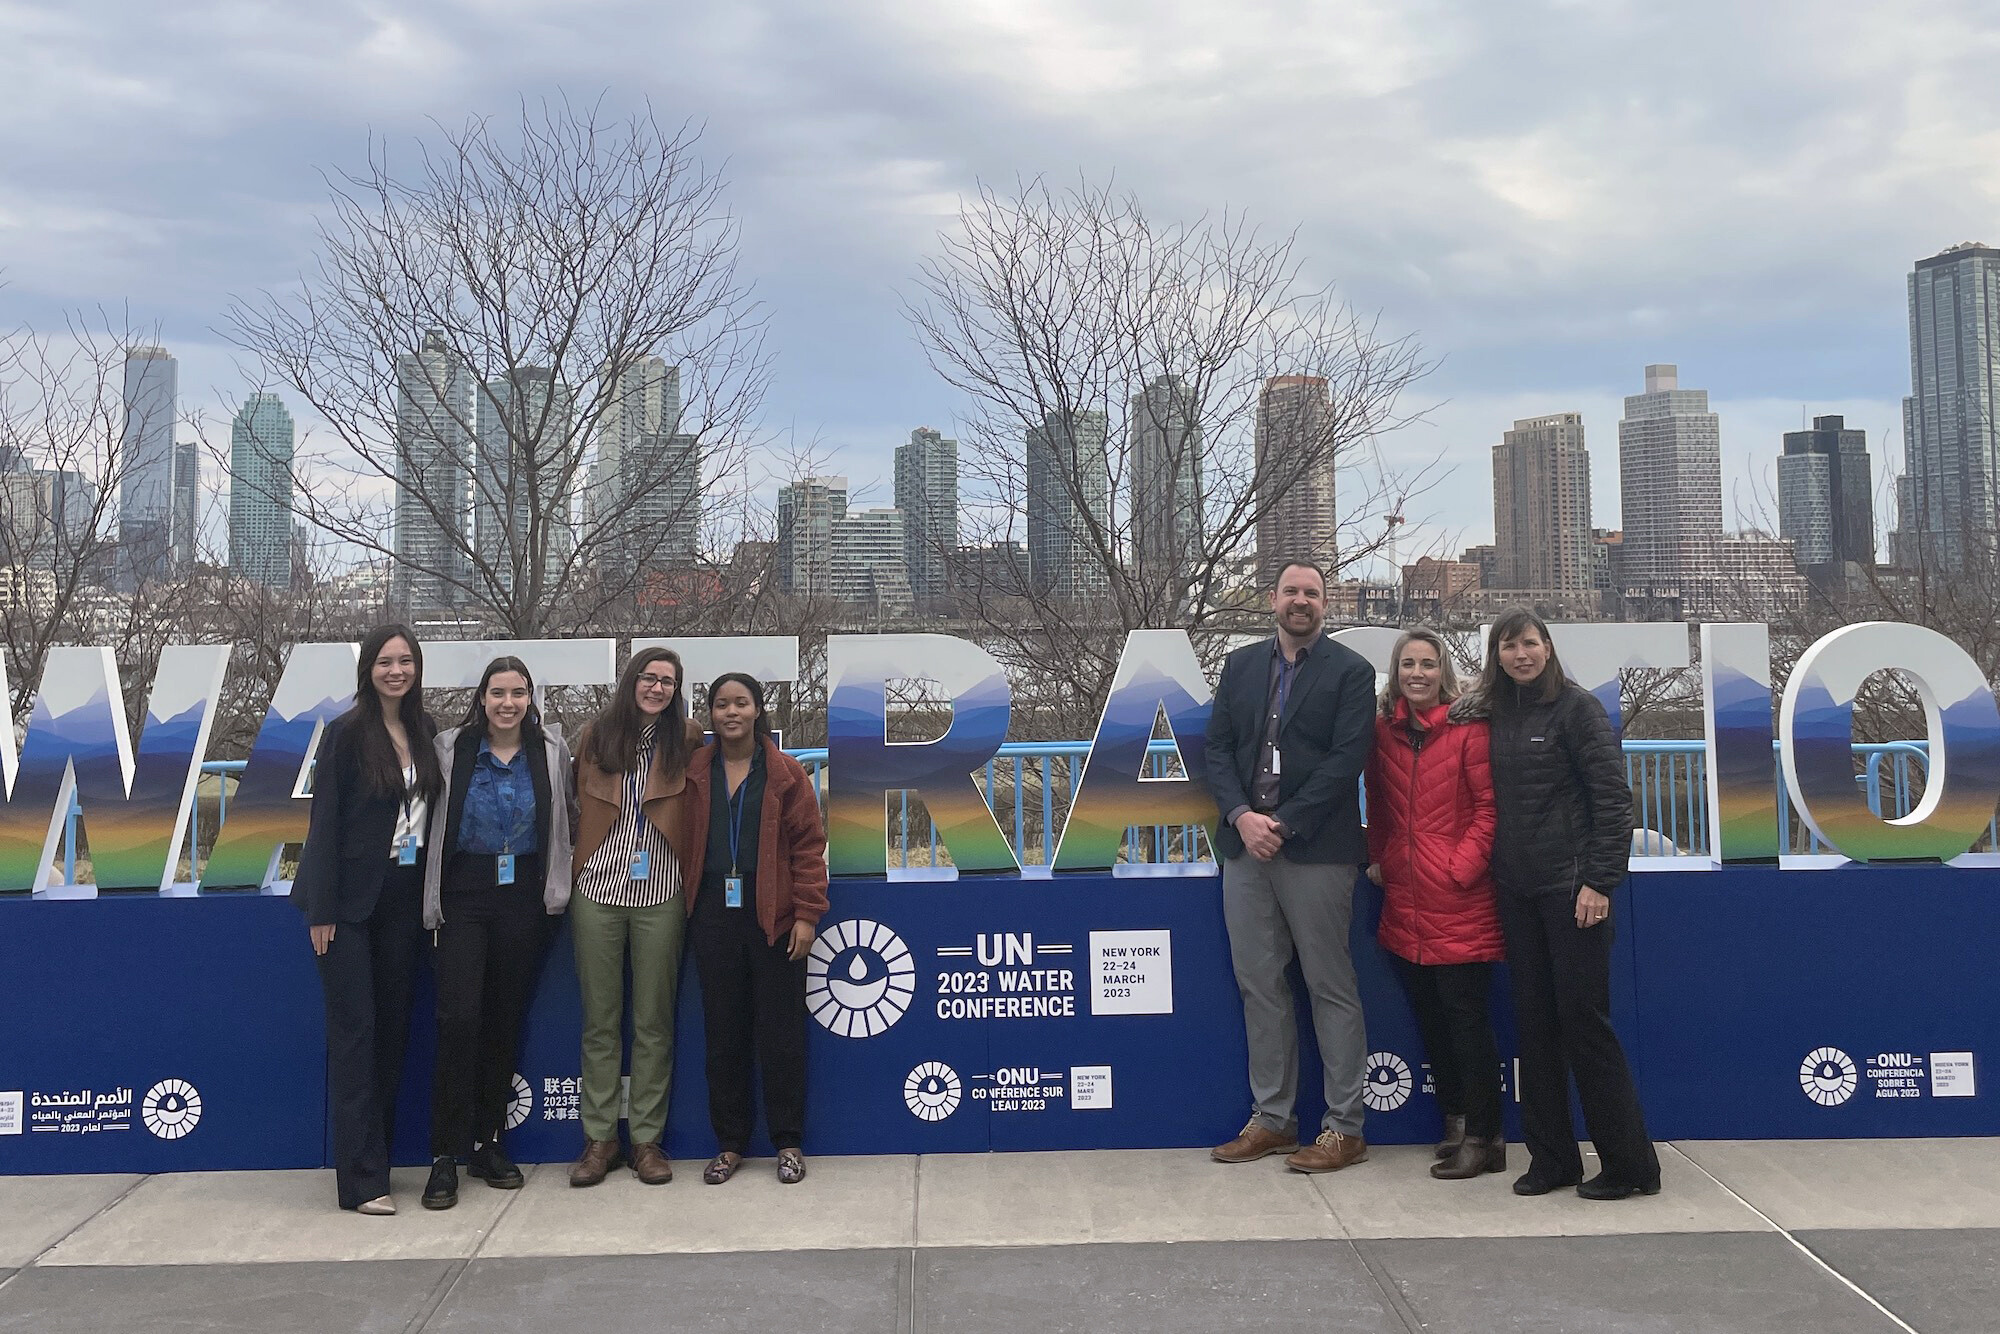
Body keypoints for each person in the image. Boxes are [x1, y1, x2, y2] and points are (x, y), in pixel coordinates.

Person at [1451, 608, 1662, 1200]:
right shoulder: (1497, 712)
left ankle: (1630, 1166)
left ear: (1548, 647)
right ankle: (1553, 1160)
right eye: (1508, 647)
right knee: (1535, 1030)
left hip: (1573, 896)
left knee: (1584, 1027)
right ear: (1496, 656)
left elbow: (1614, 803)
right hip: (1516, 893)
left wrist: (1599, 882)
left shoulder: (1578, 710)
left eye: (1529, 643)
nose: (1520, 655)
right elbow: (1454, 717)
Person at [1203, 559, 1378, 1174]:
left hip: (1316, 851)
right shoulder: (1241, 665)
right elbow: (1217, 748)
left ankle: (1344, 1128)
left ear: (1324, 605)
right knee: (1260, 984)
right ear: (1272, 600)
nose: (1300, 601)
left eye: (1311, 593)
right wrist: (1241, 817)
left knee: (1329, 986)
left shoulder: (1352, 672)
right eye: (1291, 591)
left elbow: (1346, 760)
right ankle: (1274, 1120)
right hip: (1246, 850)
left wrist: (1284, 822)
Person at [294, 624, 442, 1215]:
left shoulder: (426, 730)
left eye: (406, 661)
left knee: (392, 1035)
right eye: (386, 661)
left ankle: (377, 1160)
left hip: (406, 903)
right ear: (368, 669)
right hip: (348, 910)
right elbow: (324, 824)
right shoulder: (347, 734)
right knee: (355, 1039)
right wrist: (322, 909)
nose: (396, 671)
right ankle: (362, 1183)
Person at [420, 656, 577, 1210]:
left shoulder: (552, 752)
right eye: (497, 693)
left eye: (518, 692)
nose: (507, 703)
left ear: (531, 697)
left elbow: (569, 819)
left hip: (524, 899)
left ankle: (488, 1144)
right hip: (463, 894)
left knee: (503, 1022)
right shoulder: (449, 749)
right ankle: (444, 1156)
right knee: (458, 1020)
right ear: (481, 697)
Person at [1364, 628, 1505, 1180]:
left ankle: (1486, 1137)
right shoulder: (1385, 733)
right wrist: (1382, 858)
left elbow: (1489, 810)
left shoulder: (1469, 730)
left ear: (1442, 671)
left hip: (1458, 900)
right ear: (1395, 674)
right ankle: (1456, 1123)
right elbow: (1377, 801)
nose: (1417, 674)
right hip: (1405, 902)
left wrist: (1460, 869)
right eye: (1407, 665)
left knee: (1469, 1023)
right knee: (1432, 1021)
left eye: (1427, 664)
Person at [681, 672, 828, 1185]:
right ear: (710, 715)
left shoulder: (786, 773)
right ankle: (730, 1144)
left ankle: (787, 1142)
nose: (731, 713)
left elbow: (809, 848)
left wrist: (807, 915)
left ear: (758, 710)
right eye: (721, 704)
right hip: (712, 916)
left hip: (775, 918)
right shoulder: (695, 769)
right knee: (724, 1036)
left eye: (741, 703)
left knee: (781, 1035)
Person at [567, 648, 702, 1188]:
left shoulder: (687, 738)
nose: (658, 688)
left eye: (668, 681)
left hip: (662, 891)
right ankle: (600, 1139)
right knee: (600, 1021)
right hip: (597, 887)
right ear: (632, 681)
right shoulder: (596, 736)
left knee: (653, 1021)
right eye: (649, 678)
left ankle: (646, 1140)